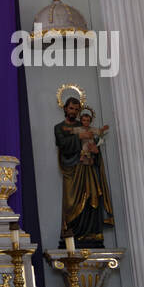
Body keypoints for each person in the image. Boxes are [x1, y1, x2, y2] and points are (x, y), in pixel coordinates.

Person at [54, 95, 114, 246]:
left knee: (91, 198)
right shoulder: (60, 127)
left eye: (76, 109)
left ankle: (92, 234)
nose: (73, 111)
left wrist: (95, 151)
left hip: (88, 169)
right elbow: (62, 144)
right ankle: (71, 234)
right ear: (65, 109)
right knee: (71, 202)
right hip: (71, 170)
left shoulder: (86, 126)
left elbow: (95, 145)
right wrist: (79, 136)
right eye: (71, 108)